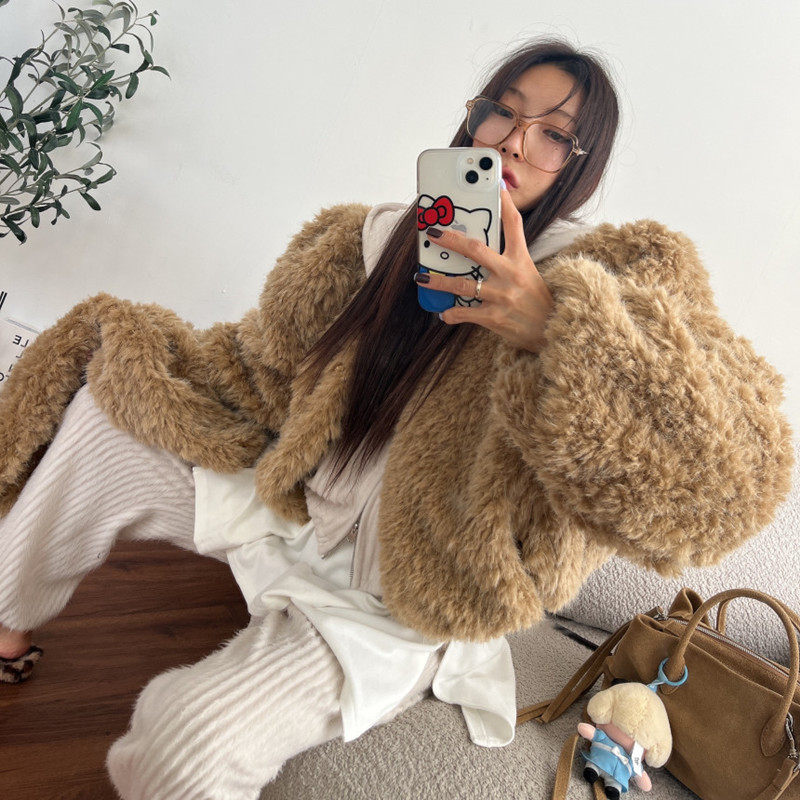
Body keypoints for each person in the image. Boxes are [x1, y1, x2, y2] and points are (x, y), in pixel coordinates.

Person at [0, 36, 793, 800]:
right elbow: (263, 371)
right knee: (110, 413)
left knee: (183, 743)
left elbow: (726, 485)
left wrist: (553, 331)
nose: (513, 142)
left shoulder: (618, 281)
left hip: (403, 600)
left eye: (554, 134)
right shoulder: (372, 238)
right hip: (299, 516)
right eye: (501, 110)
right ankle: (7, 623)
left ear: (583, 167)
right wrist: (148, 361)